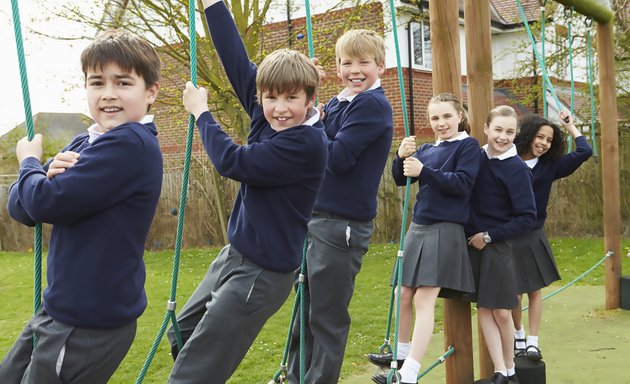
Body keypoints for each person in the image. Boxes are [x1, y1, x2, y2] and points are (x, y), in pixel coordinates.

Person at [165, 1, 327, 383]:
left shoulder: (306, 143)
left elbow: (233, 162)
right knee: (182, 334)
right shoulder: (267, 113)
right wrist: (214, 7)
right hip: (235, 255)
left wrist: (201, 113)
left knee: (193, 372)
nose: (280, 109)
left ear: (310, 98)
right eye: (271, 98)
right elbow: (236, 60)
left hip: (262, 274)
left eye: (291, 99)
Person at [0, 30, 163, 384]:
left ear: (150, 92)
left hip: (87, 324)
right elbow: (23, 210)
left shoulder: (130, 144)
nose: (108, 94)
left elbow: (42, 202)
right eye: (97, 82)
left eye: (122, 82)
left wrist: (30, 164)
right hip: (59, 310)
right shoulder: (86, 140)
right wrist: (42, 174)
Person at [285, 28, 394, 384]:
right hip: (316, 217)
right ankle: (294, 374)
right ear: (337, 66)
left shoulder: (372, 104)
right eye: (347, 62)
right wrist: (313, 103)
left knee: (326, 315)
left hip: (341, 224)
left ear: (381, 65)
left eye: (364, 62)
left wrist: (315, 119)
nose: (355, 70)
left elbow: (339, 157)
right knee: (304, 310)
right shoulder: (338, 102)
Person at [370, 93, 479, 384]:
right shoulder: (429, 149)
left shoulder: (468, 146)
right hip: (419, 227)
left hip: (446, 228)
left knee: (423, 298)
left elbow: (463, 184)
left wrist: (425, 171)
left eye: (446, 116)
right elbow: (400, 178)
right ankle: (401, 357)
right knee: (402, 293)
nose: (441, 123)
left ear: (459, 116)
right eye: (435, 118)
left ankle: (411, 373)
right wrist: (401, 156)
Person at [511, 110, 592, 361]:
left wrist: (570, 126)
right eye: (539, 137)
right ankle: (518, 335)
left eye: (548, 140)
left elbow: (584, 151)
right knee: (513, 292)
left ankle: (533, 342)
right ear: (528, 136)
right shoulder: (507, 160)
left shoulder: (550, 167)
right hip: (508, 234)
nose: (543, 143)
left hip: (533, 234)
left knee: (534, 290)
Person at [466, 105, 537, 384]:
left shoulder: (517, 169)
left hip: (497, 245)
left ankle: (510, 369)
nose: (503, 137)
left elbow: (527, 218)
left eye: (510, 132)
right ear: (485, 129)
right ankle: (499, 369)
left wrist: (489, 236)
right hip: (472, 245)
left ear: (516, 134)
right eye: (498, 130)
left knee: (501, 311)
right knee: (484, 308)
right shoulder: (475, 157)